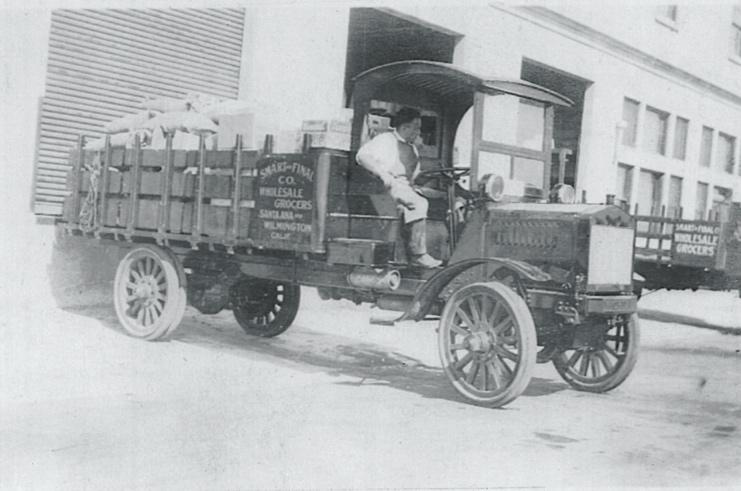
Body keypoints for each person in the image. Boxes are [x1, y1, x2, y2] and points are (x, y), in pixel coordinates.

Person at [356, 107, 442, 268]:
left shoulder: (413, 148)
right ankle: (418, 254)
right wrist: (383, 174)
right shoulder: (385, 140)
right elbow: (362, 156)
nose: (418, 131)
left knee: (445, 198)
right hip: (388, 188)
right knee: (419, 203)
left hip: (407, 186)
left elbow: (414, 177)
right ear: (404, 127)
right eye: (416, 127)